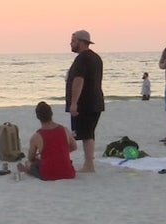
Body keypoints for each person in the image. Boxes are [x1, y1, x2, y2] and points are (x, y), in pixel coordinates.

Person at [65, 30, 104, 172]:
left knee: (82, 134)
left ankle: (88, 164)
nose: (71, 43)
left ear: (81, 42)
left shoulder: (82, 58)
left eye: (73, 40)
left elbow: (79, 80)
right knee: (88, 134)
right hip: (95, 101)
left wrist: (74, 103)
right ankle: (89, 163)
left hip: (85, 103)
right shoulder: (96, 57)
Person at [17, 102, 77, 181]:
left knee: (28, 163)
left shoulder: (36, 136)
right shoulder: (65, 130)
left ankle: (26, 169)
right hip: (68, 173)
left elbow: (31, 157)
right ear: (51, 114)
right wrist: (58, 153)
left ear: (38, 117)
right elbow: (74, 147)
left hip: (48, 174)